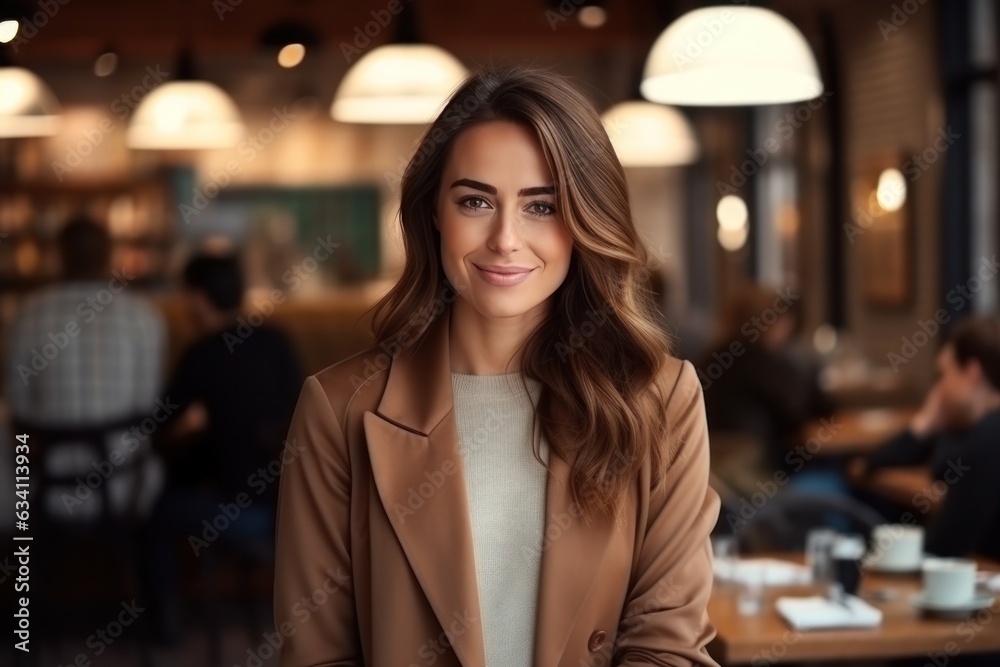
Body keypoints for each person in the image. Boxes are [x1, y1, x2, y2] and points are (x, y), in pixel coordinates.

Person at [273, 67, 721, 667]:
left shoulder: (662, 400)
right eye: (476, 201)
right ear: (434, 212)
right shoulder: (339, 410)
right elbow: (316, 654)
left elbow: (667, 647)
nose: (506, 238)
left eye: (542, 206)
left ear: (586, 219)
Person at [140, 251, 303, 645]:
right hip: (295, 507)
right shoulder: (277, 341)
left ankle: (165, 630)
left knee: (155, 513)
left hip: (244, 515)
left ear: (196, 298)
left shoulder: (202, 354)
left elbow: (158, 423)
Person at [4, 214, 166, 520]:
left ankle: (23, 563)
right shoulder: (143, 315)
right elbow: (149, 407)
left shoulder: (26, 314)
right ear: (109, 255)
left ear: (58, 256)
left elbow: (19, 410)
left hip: (42, 487)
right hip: (124, 486)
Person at [848, 315, 1000, 562]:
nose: (939, 389)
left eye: (944, 374)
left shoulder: (985, 441)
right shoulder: (966, 429)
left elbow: (945, 549)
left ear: (972, 374)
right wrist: (926, 422)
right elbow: (875, 462)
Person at [699, 283, 832, 484]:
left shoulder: (709, 357)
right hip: (754, 474)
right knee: (836, 477)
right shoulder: (756, 361)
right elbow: (797, 414)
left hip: (715, 476)